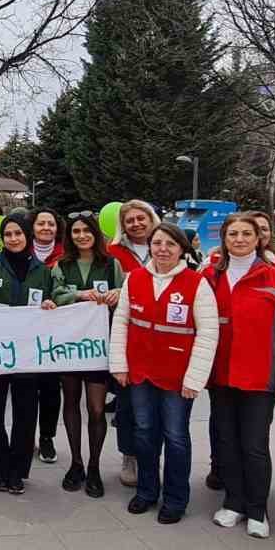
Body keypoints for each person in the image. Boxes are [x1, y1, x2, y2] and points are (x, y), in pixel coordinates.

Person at [109, 222, 217, 522]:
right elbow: (122, 322)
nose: (163, 249)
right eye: (157, 243)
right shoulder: (135, 279)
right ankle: (146, 491)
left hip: (177, 376)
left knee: (176, 436)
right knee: (144, 433)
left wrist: (195, 378)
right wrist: (119, 364)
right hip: (141, 372)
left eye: (170, 244)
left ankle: (175, 498)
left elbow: (208, 333)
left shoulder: (196, 284)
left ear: (182, 248)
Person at [205, 212, 275, 537]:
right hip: (221, 376)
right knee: (227, 442)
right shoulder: (211, 277)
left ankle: (258, 509)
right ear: (225, 238)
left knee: (254, 445)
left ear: (259, 238)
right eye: (233, 234)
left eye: (247, 233)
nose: (240, 239)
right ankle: (234, 502)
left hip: (260, 378)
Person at [0, 215, 58, 494]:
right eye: (8, 234)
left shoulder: (42, 270)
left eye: (18, 233)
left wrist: (50, 304)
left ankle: (18, 470)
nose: (13, 239)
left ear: (27, 236)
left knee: (25, 411)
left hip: (27, 353)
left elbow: (53, 301)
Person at [53, 212, 122, 496]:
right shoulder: (62, 265)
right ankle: (76, 463)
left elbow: (127, 295)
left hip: (97, 348)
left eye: (86, 231)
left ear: (96, 233)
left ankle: (94, 465)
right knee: (70, 402)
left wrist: (118, 292)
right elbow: (54, 296)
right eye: (76, 231)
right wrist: (78, 296)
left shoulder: (110, 265)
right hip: (69, 347)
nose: (81, 236)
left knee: (95, 409)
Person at [106, 201, 160, 490]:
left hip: (163, 340)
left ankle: (152, 456)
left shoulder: (166, 244)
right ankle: (130, 455)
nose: (136, 224)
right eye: (130, 221)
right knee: (127, 404)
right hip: (126, 337)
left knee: (159, 406)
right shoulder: (113, 252)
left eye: (141, 218)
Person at [28, 208, 65, 465]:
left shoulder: (65, 255)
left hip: (54, 334)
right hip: (26, 333)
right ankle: (27, 434)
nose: (45, 228)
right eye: (41, 223)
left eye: (50, 223)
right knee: (27, 389)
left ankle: (47, 437)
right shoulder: (21, 251)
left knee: (51, 389)